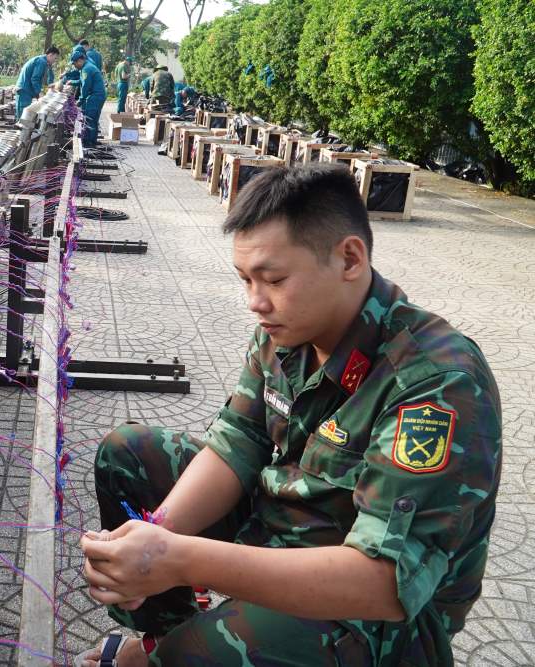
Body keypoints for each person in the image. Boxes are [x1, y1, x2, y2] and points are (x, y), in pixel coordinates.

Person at [78, 164, 502, 667]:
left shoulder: (436, 383)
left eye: (274, 279)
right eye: (245, 279)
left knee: (205, 651)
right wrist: (154, 537)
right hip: (284, 531)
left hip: (384, 614)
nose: (255, 302)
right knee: (130, 454)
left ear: (349, 258)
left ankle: (182, 651)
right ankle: (162, 642)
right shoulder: (287, 329)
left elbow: (384, 581)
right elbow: (238, 441)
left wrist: (176, 557)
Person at [14, 46, 60, 121]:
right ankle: (19, 131)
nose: (55, 61)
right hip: (24, 89)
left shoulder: (44, 62)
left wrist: (51, 84)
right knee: (22, 116)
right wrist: (39, 92)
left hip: (27, 89)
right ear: (50, 55)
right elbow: (35, 79)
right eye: (55, 58)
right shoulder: (41, 62)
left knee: (25, 115)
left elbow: (50, 75)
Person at [72, 51, 105, 147]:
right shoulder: (87, 67)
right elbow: (82, 81)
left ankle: (89, 143)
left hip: (95, 96)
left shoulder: (87, 69)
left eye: (74, 64)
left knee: (89, 118)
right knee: (93, 119)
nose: (75, 66)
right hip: (98, 96)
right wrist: (72, 82)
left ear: (80, 61)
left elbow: (85, 86)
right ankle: (92, 140)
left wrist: (80, 101)